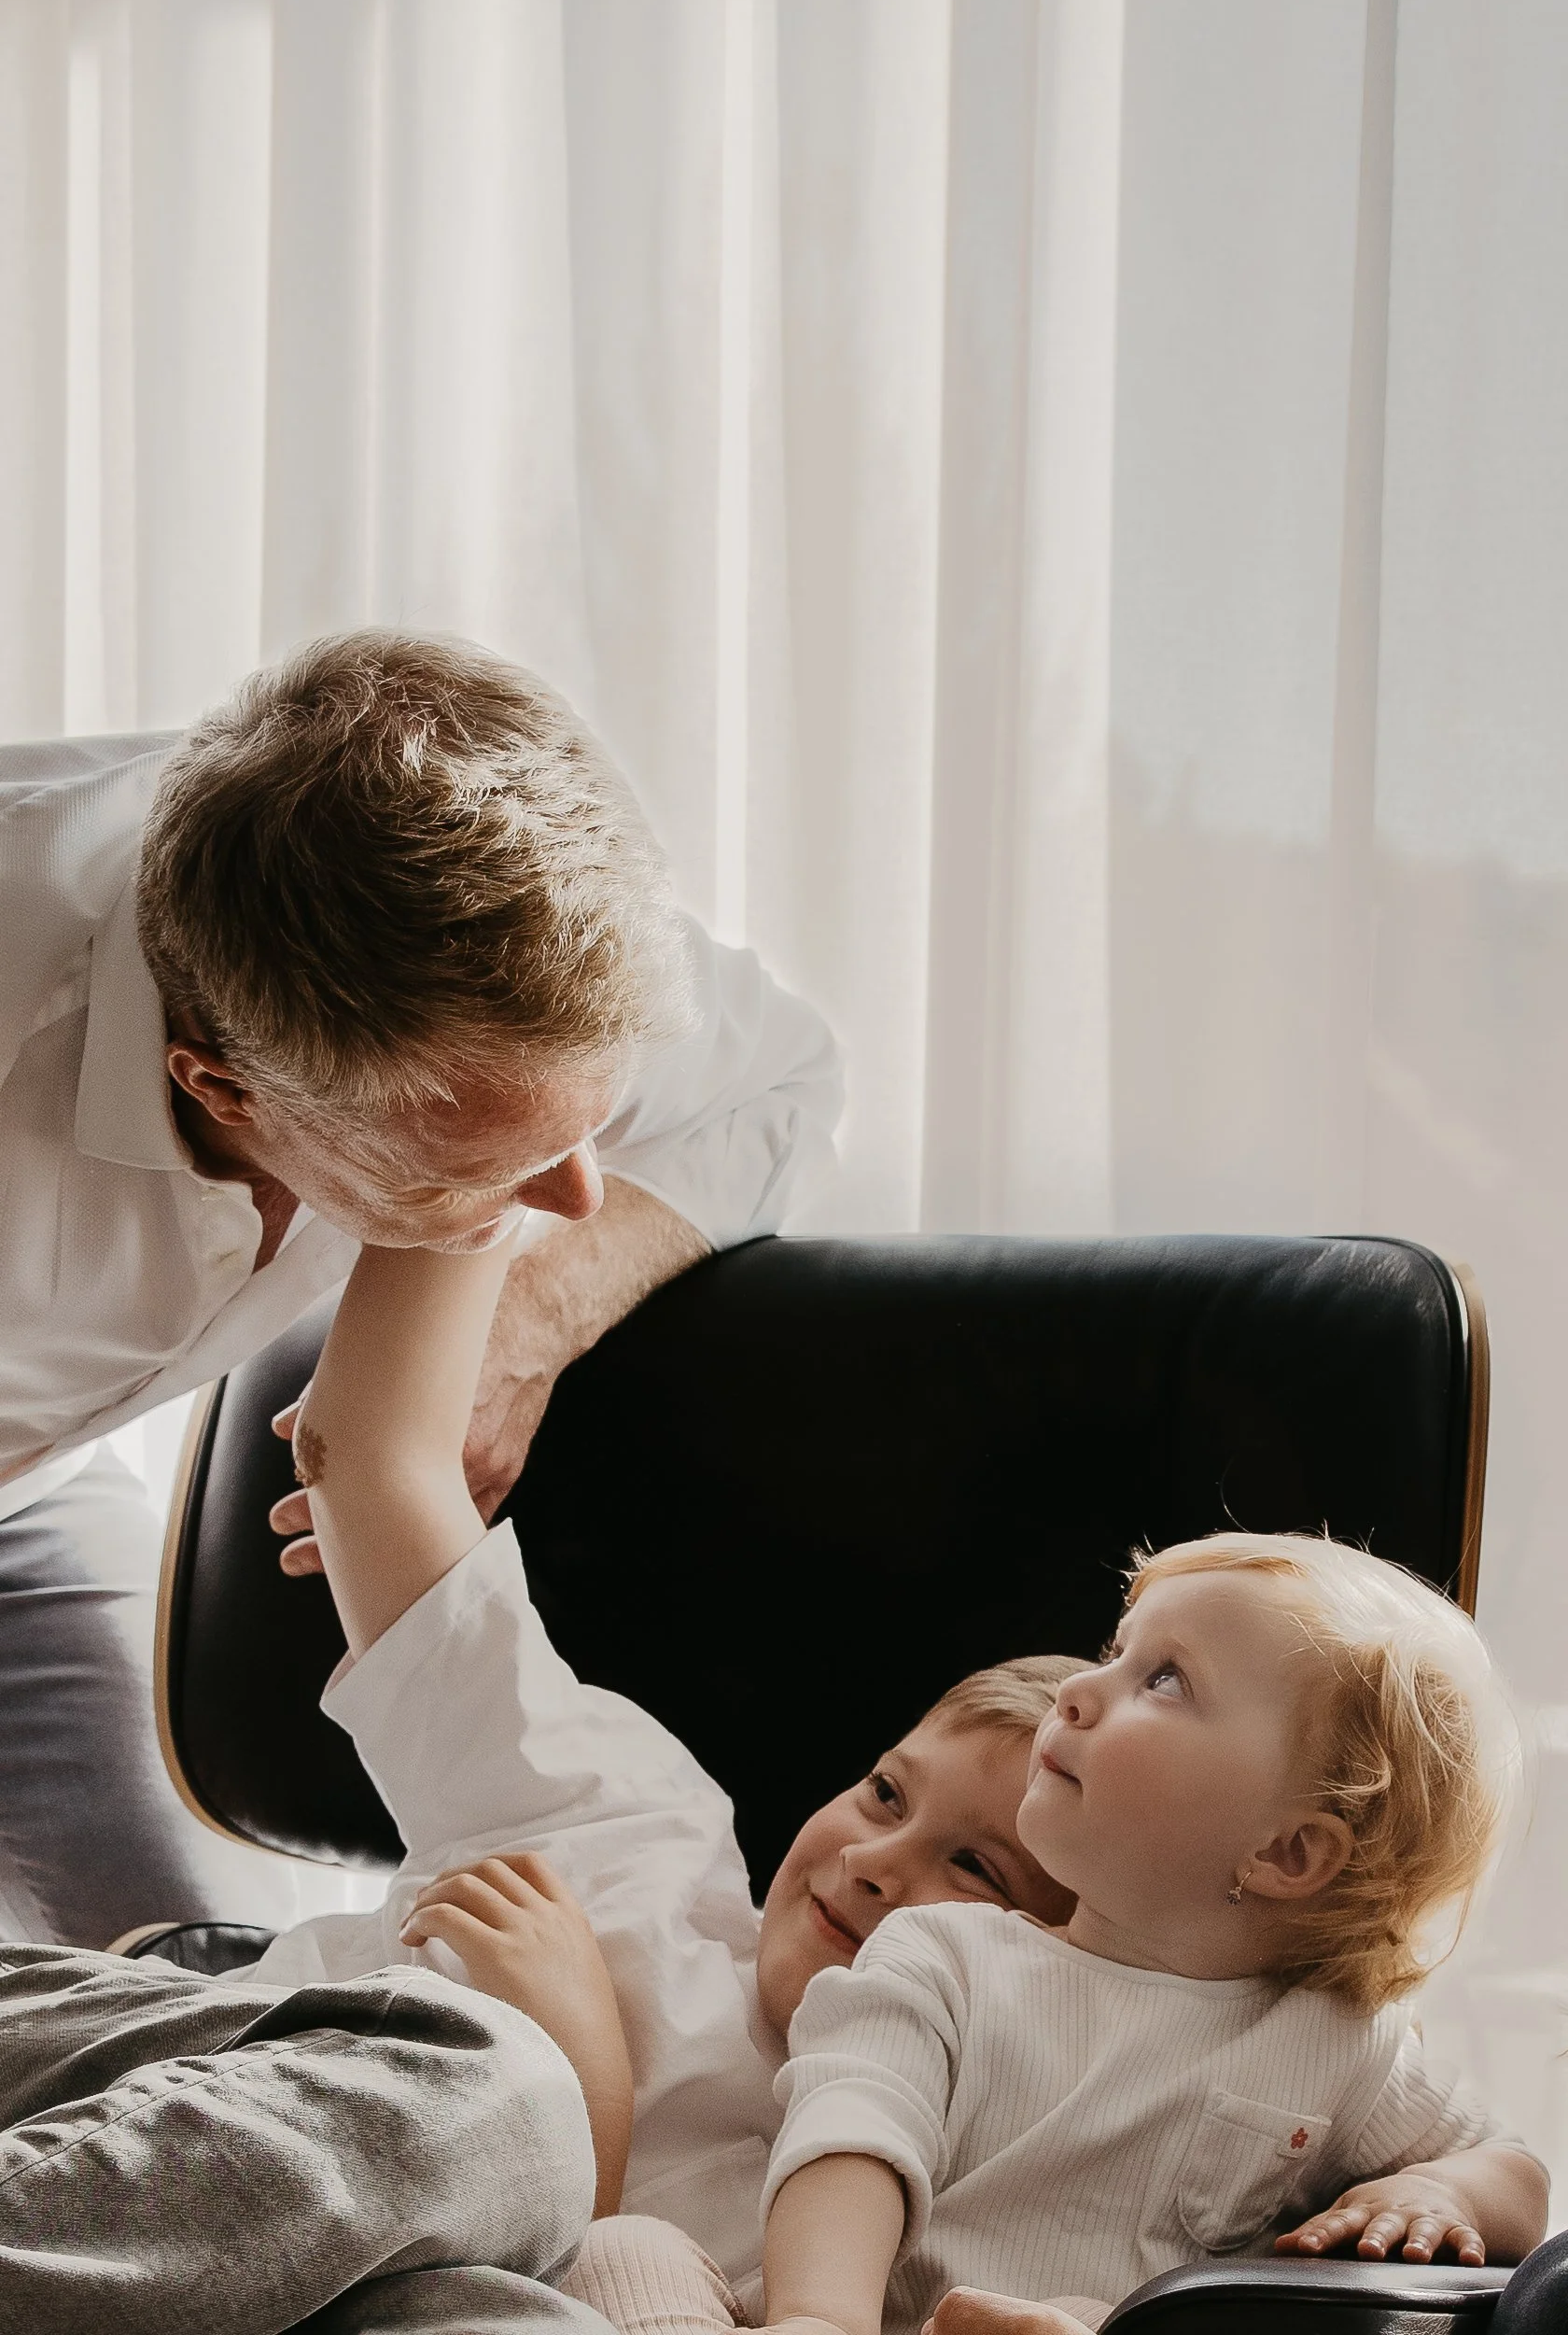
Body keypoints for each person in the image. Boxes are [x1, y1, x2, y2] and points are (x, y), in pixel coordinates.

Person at [0, 1227, 1082, 2330]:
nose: (871, 1860)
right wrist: (474, 1165)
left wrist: (588, 2097)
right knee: (492, 2095)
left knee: (513, 2155)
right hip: (136, 2084)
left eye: (977, 1868)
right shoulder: (629, 1831)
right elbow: (368, 1457)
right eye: (885, 1794)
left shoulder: (898, 2213)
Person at [0, 629, 841, 1944]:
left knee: (201, 2001)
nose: (572, 1197)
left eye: (587, 1124)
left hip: (31, 1514)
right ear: (219, 1088)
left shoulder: (502, 945)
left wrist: (526, 1313)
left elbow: (784, 1081)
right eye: (488, 1167)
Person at [571, 1534, 1548, 2335]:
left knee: (1093, 2323)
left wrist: (1441, 2195)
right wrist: (821, 2317)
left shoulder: (1338, 2043)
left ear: (1289, 1852)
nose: (1082, 1690)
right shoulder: (946, 1956)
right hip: (851, 2320)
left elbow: (1516, 2172)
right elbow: (852, 2130)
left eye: (1163, 1680)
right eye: (1117, 1650)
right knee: (625, 2251)